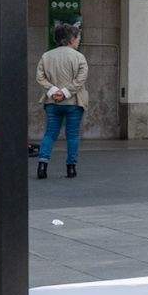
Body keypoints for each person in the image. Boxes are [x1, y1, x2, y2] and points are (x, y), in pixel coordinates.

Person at [37, 24, 89, 179]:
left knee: (50, 133)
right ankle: (71, 168)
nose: (79, 41)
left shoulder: (46, 56)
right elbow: (81, 79)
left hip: (52, 102)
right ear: (72, 39)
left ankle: (42, 165)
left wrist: (54, 91)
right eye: (78, 38)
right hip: (74, 103)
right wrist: (66, 93)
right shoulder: (79, 57)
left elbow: (40, 77)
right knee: (72, 135)